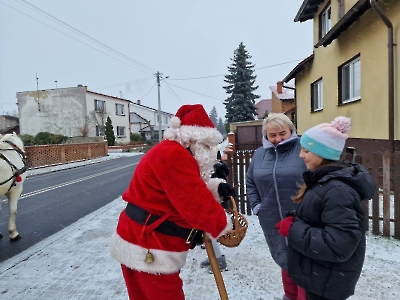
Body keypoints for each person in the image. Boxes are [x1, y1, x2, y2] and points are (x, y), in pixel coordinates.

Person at [110, 104, 235, 300]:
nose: (210, 152)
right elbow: (195, 204)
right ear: (194, 140)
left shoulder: (173, 152)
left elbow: (178, 189)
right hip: (150, 245)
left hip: (139, 236)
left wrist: (215, 187)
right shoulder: (175, 156)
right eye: (208, 146)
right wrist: (224, 225)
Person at [276, 116, 376, 300]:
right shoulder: (325, 182)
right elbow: (319, 218)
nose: (301, 155)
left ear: (324, 153)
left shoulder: (337, 190)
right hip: (318, 275)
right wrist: (296, 219)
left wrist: (293, 229)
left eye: (306, 150)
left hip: (325, 283)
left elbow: (338, 245)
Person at [246, 113, 307, 300]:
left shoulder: (304, 149)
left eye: (282, 133)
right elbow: (250, 181)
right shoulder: (260, 154)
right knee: (285, 260)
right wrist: (257, 206)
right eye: (272, 135)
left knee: (306, 264)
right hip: (272, 218)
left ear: (291, 131)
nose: (278, 139)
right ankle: (289, 296)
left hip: (302, 218)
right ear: (266, 136)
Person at [199, 155, 231, 273]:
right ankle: (213, 257)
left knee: (210, 233)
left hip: (213, 203)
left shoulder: (216, 167)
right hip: (205, 202)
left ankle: (219, 260)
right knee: (207, 235)